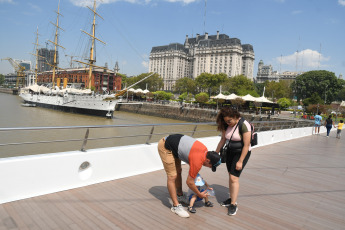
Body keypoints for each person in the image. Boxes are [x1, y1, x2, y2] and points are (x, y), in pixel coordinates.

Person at [157, 134, 221, 218]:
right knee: (172, 176)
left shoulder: (205, 151)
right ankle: (176, 206)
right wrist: (199, 194)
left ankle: (179, 195)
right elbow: (189, 182)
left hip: (175, 146)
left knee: (178, 171)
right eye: (211, 166)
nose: (209, 168)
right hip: (165, 146)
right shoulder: (198, 161)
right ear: (208, 160)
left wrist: (206, 186)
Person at [215, 107, 252, 216]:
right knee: (230, 175)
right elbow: (223, 139)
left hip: (241, 153)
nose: (228, 123)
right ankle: (231, 198)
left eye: (229, 121)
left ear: (235, 117)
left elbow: (246, 145)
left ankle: (233, 204)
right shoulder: (225, 124)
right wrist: (216, 152)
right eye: (226, 121)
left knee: (233, 177)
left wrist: (240, 161)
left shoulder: (244, 125)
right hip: (230, 152)